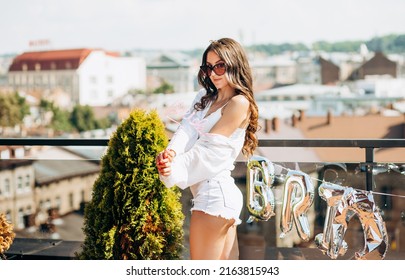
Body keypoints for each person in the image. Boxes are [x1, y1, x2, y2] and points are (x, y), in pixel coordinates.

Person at [156, 38, 259, 260]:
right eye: (208, 67)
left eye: (220, 65)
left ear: (234, 64)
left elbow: (210, 151)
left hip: (214, 198)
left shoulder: (239, 103)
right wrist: (170, 153)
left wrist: (172, 168)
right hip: (215, 197)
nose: (213, 72)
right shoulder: (204, 97)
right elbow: (185, 131)